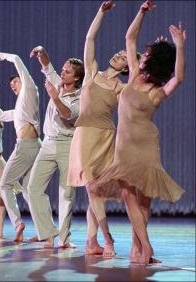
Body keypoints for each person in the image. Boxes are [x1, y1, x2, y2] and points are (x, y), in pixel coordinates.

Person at [92, 0, 186, 265]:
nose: (141, 55)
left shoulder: (157, 91)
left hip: (144, 146)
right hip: (126, 147)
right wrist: (141, 13)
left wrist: (179, 47)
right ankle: (144, 248)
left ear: (154, 63)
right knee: (128, 195)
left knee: (142, 201)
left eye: (147, 55)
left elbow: (178, 78)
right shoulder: (133, 74)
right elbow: (130, 36)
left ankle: (140, 249)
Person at [67, 0, 134, 257]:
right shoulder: (92, 73)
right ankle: (108, 238)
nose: (118, 55)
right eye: (118, 52)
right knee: (92, 188)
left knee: (96, 191)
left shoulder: (121, 89)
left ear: (127, 67)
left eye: (123, 57)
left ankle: (91, 242)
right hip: (85, 134)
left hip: (105, 137)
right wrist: (101, 12)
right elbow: (89, 38)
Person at [28, 46, 84, 248]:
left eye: (67, 72)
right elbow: (46, 65)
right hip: (48, 142)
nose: (62, 73)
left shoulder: (80, 97)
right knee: (33, 187)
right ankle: (48, 233)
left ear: (76, 78)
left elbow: (68, 114)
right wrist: (41, 52)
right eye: (63, 69)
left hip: (68, 144)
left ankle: (64, 239)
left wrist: (54, 96)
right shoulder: (56, 82)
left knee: (66, 194)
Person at [0, 52, 42, 242]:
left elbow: (17, 59)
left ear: (23, 79)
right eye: (11, 85)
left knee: (4, 184)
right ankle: (45, 233)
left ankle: (18, 223)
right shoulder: (20, 107)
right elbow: (0, 116)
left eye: (15, 82)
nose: (13, 85)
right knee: (29, 190)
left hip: (26, 146)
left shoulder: (30, 88)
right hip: (33, 146)